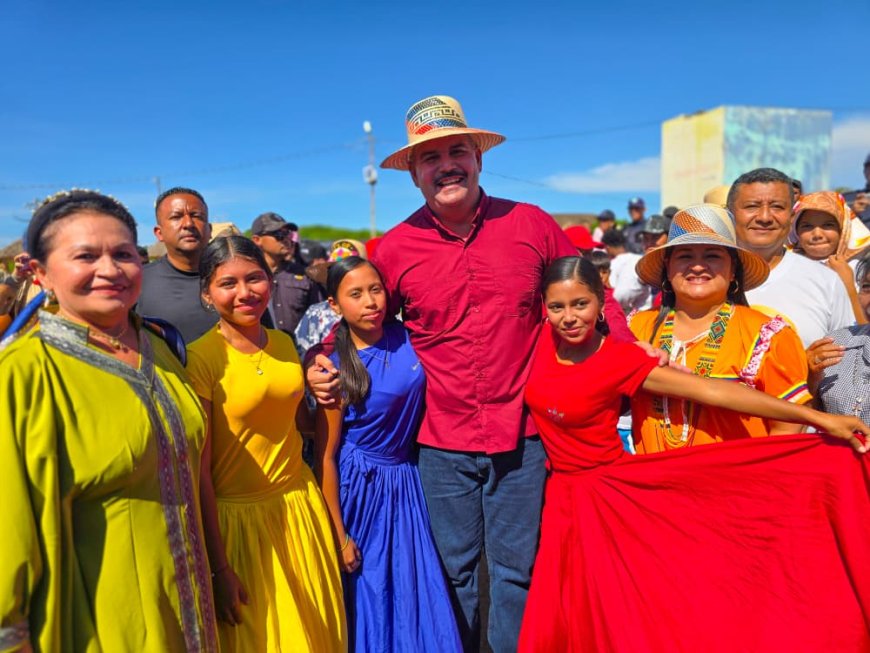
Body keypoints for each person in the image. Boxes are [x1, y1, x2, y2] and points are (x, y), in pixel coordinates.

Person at [307, 94, 583, 651]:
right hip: (438, 442)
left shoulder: (531, 223)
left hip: (523, 435)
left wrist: (631, 356)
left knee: (515, 572)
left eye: (458, 150)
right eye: (430, 157)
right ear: (413, 173)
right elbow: (360, 316)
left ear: (479, 159)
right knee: (450, 573)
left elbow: (590, 298)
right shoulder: (396, 247)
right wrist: (321, 362)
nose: (446, 164)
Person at [518, 255, 869, 652]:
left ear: (601, 302)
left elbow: (714, 391)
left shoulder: (621, 358)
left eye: (580, 304)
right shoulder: (538, 343)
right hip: (558, 495)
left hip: (607, 500)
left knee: (615, 612)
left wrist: (819, 419)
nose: (568, 317)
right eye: (557, 307)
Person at [0, 190, 218, 651]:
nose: (109, 269)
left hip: (188, 610)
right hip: (96, 621)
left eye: (123, 254)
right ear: (40, 274)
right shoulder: (23, 372)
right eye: (85, 255)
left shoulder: (159, 348)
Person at [185, 236, 346, 652]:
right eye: (228, 283)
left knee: (317, 635)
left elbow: (300, 425)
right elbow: (199, 470)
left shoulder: (284, 344)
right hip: (239, 525)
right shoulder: (201, 360)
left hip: (298, 508)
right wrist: (218, 569)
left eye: (255, 278)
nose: (245, 293)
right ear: (207, 293)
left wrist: (328, 390)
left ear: (270, 281)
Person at [315, 256, 461, 652]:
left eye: (375, 290)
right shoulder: (333, 368)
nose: (370, 302)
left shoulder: (408, 337)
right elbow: (326, 457)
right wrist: (338, 534)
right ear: (334, 305)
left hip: (407, 478)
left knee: (417, 586)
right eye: (356, 294)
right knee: (373, 591)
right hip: (360, 489)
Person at [630, 204, 811, 453]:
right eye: (685, 256)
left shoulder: (768, 335)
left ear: (733, 270)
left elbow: (787, 428)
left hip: (735, 487)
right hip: (649, 486)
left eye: (712, 256)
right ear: (668, 269)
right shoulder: (635, 328)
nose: (697, 266)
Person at [728, 168, 853, 347]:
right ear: (729, 213)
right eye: (752, 206)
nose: (764, 217)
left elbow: (845, 361)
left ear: (792, 216)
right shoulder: (702, 277)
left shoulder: (827, 282)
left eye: (777, 207)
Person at [137, 186, 217, 343]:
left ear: (209, 229)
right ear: (159, 233)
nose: (188, 223)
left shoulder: (236, 278)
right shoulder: (137, 282)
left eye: (197, 216)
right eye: (176, 217)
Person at [788, 190, 870, 324]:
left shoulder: (862, 270)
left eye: (828, 225)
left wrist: (848, 284)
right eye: (807, 226)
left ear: (843, 229)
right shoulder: (785, 266)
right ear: (795, 232)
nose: (817, 234)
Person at [250, 212, 322, 335]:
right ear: (257, 240)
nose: (286, 239)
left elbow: (319, 316)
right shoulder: (247, 276)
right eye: (278, 234)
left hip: (298, 352)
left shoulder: (305, 275)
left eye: (287, 234)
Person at [295, 239, 367, 359]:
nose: (343, 278)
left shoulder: (376, 310)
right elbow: (302, 353)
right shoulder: (315, 313)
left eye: (350, 272)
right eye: (336, 272)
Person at [602, 228, 649, 314]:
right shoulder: (640, 259)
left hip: (631, 317)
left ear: (607, 247)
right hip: (649, 311)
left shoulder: (612, 264)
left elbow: (620, 296)